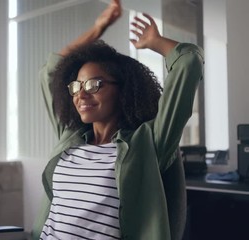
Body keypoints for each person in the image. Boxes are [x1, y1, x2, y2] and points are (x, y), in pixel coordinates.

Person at [32, 0, 204, 239]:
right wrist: (98, 28)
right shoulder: (70, 137)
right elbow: (51, 70)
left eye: (93, 85)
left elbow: (188, 62)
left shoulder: (148, 144)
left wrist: (156, 42)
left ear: (123, 90)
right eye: (76, 86)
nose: (81, 94)